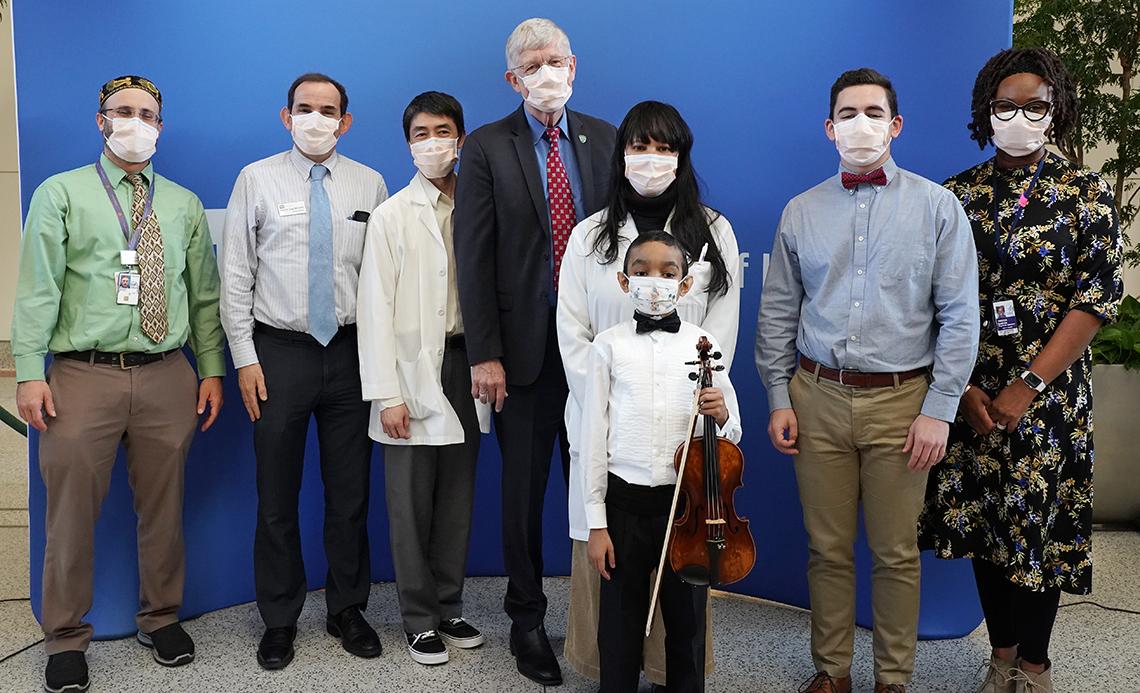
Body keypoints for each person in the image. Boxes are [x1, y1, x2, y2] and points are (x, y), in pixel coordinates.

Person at [755, 67, 979, 693]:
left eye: (873, 112)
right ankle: (832, 673)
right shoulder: (800, 212)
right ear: (829, 129)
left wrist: (940, 408)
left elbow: (960, 317)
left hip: (904, 404)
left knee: (895, 553)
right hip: (816, 397)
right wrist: (778, 395)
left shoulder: (938, 207)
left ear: (895, 124)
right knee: (826, 549)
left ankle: (892, 680)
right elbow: (778, 313)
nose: (861, 124)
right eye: (848, 113)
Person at [918, 48, 1124, 693]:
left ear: (1055, 110)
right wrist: (971, 388)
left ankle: (1035, 667)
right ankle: (1000, 656)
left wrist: (1025, 386)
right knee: (985, 528)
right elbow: (927, 301)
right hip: (970, 394)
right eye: (1006, 106)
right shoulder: (955, 197)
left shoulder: (1085, 197)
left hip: (1049, 397)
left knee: (1041, 533)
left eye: (1034, 105)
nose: (1018, 116)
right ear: (987, 112)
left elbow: (1096, 300)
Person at [12, 75, 226, 693]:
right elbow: (37, 289)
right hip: (82, 375)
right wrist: (29, 372)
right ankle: (64, 637)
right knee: (71, 513)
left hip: (167, 375)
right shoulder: (62, 194)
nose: (136, 122)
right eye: (122, 112)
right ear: (100, 121)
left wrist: (210, 369)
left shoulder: (182, 203)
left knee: (164, 507)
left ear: (162, 124)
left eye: (148, 113)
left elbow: (204, 297)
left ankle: (161, 619)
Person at [453, 17, 616, 686]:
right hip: (521, 357)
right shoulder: (489, 146)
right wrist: (483, 354)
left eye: (559, 61)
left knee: (603, 491)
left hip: (602, 354)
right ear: (512, 78)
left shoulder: (606, 139)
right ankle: (526, 620)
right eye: (535, 64)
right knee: (523, 497)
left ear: (575, 65)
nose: (550, 73)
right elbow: (474, 256)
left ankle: (600, 620)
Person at [557, 100, 739, 685]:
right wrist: (613, 405)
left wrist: (703, 410)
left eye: (665, 147)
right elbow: (574, 335)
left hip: (687, 442)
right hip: (611, 440)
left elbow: (719, 337)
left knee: (684, 594)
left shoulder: (714, 231)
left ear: (682, 157)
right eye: (640, 146)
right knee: (615, 588)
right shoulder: (590, 237)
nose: (651, 158)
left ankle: (676, 675)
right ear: (621, 155)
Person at [219, 73, 388, 670]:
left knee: (350, 495)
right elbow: (235, 276)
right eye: (305, 109)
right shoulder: (256, 178)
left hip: (349, 352)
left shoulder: (370, 182)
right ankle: (280, 618)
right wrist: (244, 358)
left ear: (346, 121)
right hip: (278, 353)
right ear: (286, 116)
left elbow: (381, 280)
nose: (317, 119)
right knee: (276, 495)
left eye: (329, 110)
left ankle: (347, 609)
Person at [357, 91, 491, 667]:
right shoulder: (392, 215)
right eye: (420, 133)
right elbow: (373, 309)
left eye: (442, 130)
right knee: (409, 501)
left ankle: (448, 603)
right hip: (410, 371)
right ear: (408, 142)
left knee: (457, 497)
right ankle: (417, 618)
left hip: (468, 364)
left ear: (461, 138)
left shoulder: (483, 205)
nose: (432, 142)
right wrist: (386, 392)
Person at [580, 231, 741, 693]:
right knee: (620, 623)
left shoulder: (703, 343)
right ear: (624, 281)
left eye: (668, 274)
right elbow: (593, 436)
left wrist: (721, 413)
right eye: (643, 272)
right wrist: (596, 523)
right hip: (624, 505)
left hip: (686, 509)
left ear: (685, 285)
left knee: (687, 624)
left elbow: (731, 433)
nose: (656, 281)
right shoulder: (607, 345)